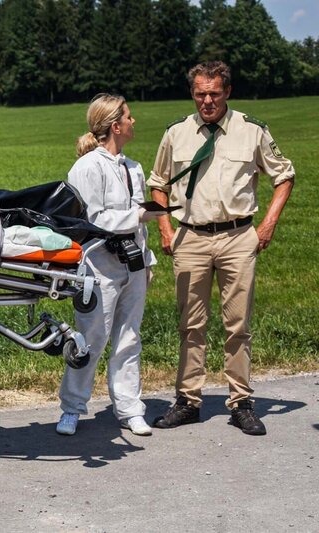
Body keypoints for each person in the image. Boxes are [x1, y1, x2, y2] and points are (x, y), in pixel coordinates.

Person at [147, 61, 295, 436]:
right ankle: (187, 401)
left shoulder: (252, 131)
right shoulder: (176, 133)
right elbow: (158, 183)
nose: (207, 101)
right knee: (190, 324)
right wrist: (165, 228)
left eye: (214, 93)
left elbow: (284, 175)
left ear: (227, 91)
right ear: (192, 93)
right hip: (190, 237)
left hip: (237, 237)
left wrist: (268, 225)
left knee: (238, 325)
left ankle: (241, 403)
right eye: (200, 93)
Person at [55, 94, 160, 437]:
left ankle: (130, 408)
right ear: (115, 125)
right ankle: (72, 407)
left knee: (130, 338)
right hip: (99, 267)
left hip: (132, 265)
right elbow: (93, 219)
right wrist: (140, 214)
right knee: (91, 339)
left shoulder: (133, 168)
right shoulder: (87, 167)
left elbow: (138, 224)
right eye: (129, 117)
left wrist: (147, 260)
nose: (134, 122)